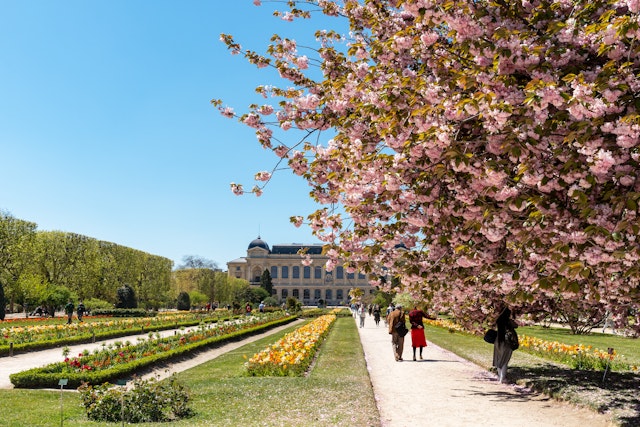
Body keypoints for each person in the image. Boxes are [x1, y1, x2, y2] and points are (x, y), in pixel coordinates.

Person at [493, 306, 518, 383]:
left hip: (498, 341)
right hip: (506, 342)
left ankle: (499, 377)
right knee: (505, 361)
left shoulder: (499, 321)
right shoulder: (508, 321)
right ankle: (502, 379)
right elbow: (516, 325)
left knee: (498, 360)